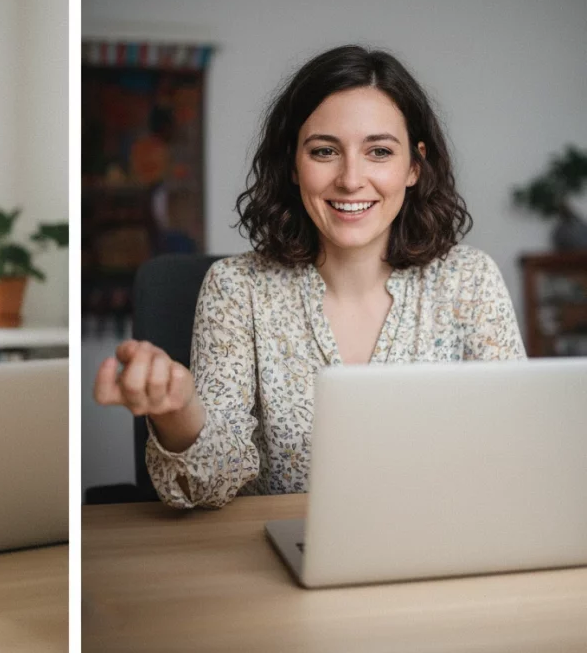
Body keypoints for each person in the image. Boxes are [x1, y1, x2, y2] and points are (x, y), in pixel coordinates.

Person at [94, 45, 526, 509]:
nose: (351, 179)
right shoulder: (236, 289)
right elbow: (207, 488)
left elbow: (520, 454)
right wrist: (178, 411)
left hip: (446, 549)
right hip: (287, 563)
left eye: (379, 151)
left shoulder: (471, 281)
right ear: (293, 166)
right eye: (324, 151)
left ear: (414, 167)